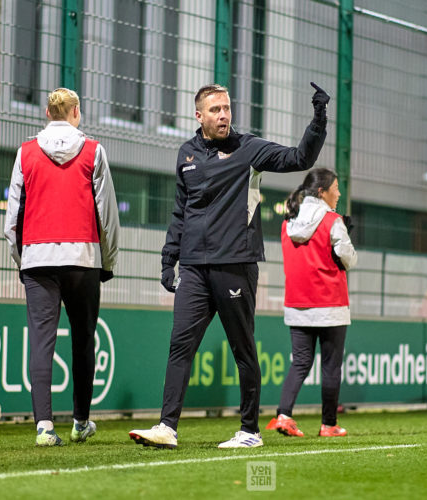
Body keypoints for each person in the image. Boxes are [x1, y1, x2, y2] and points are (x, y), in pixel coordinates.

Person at [129, 82, 329, 449]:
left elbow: (300, 158)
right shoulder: (186, 154)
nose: (223, 115)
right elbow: (180, 211)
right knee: (180, 346)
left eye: (227, 108)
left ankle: (250, 431)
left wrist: (318, 120)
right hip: (193, 266)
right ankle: (166, 427)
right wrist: (168, 258)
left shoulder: (248, 148)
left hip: (235, 263)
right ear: (199, 115)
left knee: (243, 348)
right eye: (216, 110)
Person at [4, 88, 120, 446]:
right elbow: (107, 213)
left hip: (38, 259)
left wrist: (21, 259)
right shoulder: (93, 151)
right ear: (76, 112)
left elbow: (12, 217)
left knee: (41, 342)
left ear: (47, 112)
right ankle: (81, 421)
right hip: (83, 259)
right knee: (84, 340)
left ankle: (43, 427)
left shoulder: (25, 153)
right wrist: (108, 260)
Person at [266, 167, 356, 438]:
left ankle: (283, 415)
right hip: (330, 305)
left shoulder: (287, 221)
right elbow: (349, 260)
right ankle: (328, 425)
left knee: (300, 363)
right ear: (322, 192)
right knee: (331, 366)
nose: (338, 193)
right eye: (335, 188)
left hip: (297, 303)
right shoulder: (332, 221)